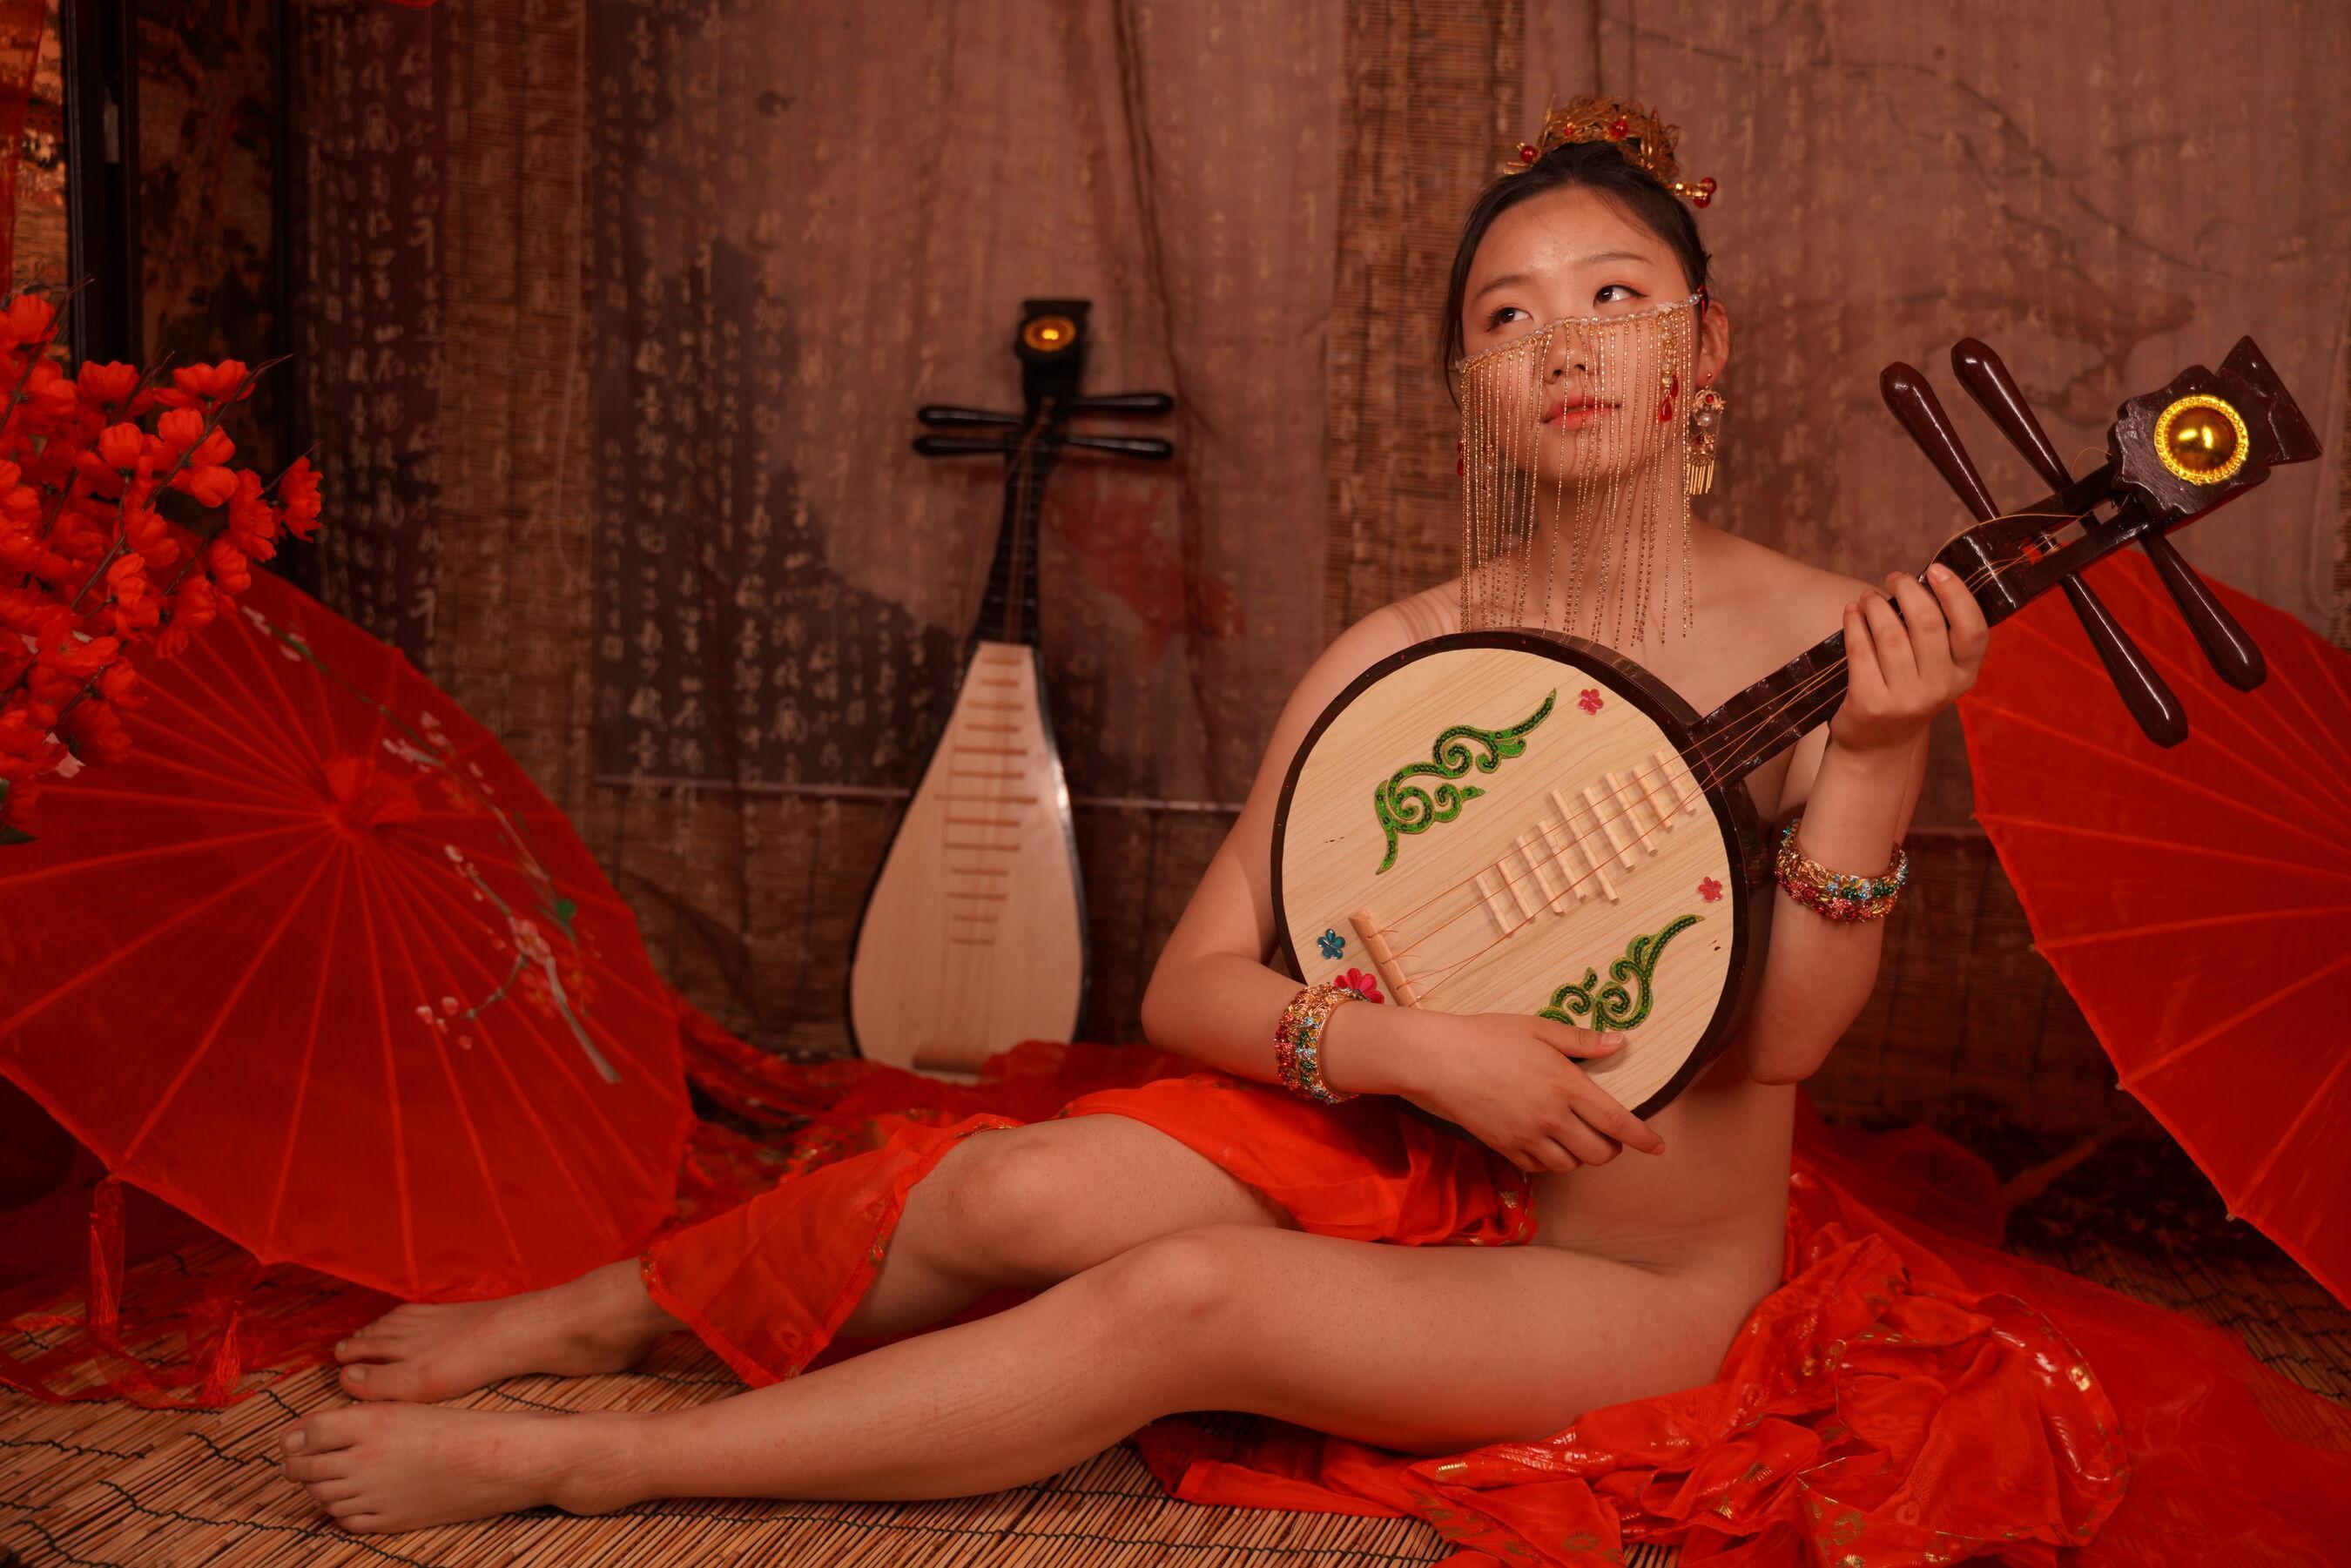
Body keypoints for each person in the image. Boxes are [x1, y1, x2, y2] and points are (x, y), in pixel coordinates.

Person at [275, 97, 1993, 1537]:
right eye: (1506, 316)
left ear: (1705, 346)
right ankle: (606, 1311)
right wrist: (1418, 1053)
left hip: (1627, 1282)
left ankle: (595, 1465)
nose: (1564, 346)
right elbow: (1192, 989)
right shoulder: (1404, 658)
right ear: (1470, 386)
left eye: (1615, 294)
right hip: (1406, 1154)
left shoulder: (1842, 640)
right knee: (1012, 1190)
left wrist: (1873, 756)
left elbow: (1778, 1042)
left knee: (1178, 1298)